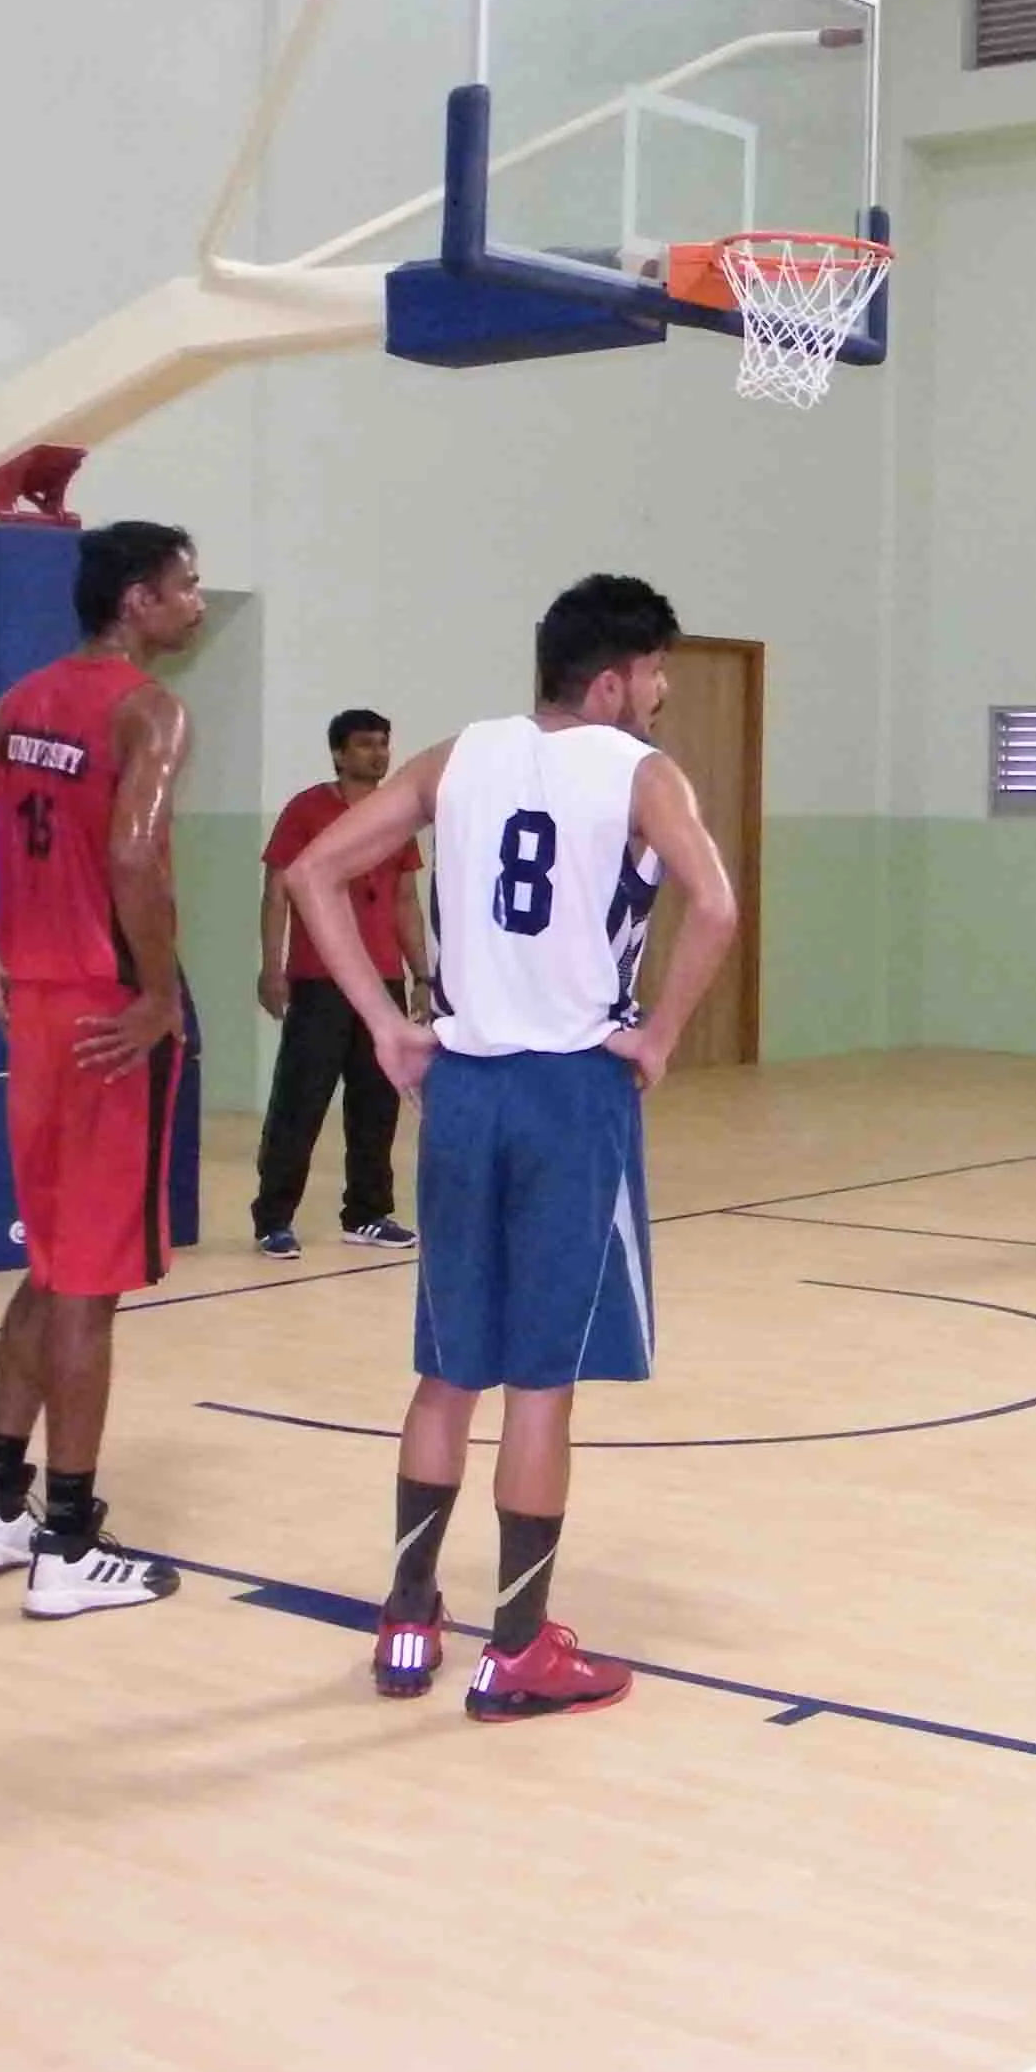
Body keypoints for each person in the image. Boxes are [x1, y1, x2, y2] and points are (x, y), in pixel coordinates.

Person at [286, 573, 738, 1717]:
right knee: (541, 1385)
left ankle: (405, 1624)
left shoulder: (455, 757)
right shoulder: (642, 773)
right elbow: (717, 907)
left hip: (465, 1091)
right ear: (611, 679)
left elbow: (311, 873)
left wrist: (390, 1024)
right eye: (654, 681)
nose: (660, 701)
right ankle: (520, 1646)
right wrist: (662, 1036)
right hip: (569, 1096)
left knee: (445, 1373)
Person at [0, 521, 205, 1618]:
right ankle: (69, 1542)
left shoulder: (22, 704)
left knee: (50, 1262)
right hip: (105, 1023)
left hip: (30, 1016)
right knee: (89, 1283)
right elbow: (130, 852)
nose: (195, 605)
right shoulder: (146, 712)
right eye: (183, 588)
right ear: (135, 602)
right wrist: (159, 995)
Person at [250, 708, 428, 1259]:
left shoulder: (394, 813)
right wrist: (272, 966)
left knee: (378, 1102)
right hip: (319, 977)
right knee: (301, 1101)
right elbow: (279, 890)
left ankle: (369, 1212)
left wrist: (421, 974)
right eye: (366, 745)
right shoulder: (307, 810)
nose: (379, 754)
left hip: (382, 980)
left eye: (384, 744)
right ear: (338, 753)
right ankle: (274, 1219)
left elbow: (403, 899)